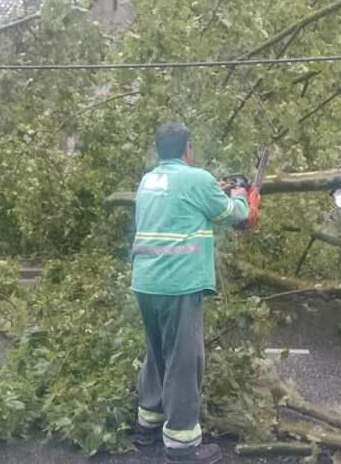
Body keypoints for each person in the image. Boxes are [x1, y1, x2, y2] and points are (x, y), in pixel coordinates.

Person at [131, 122, 249, 464]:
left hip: (146, 281)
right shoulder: (197, 179)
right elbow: (235, 214)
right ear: (188, 148)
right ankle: (182, 443)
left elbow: (183, 201)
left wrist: (218, 188)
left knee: (157, 352)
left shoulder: (148, 181)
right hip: (179, 283)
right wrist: (240, 194)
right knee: (184, 360)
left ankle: (147, 423)